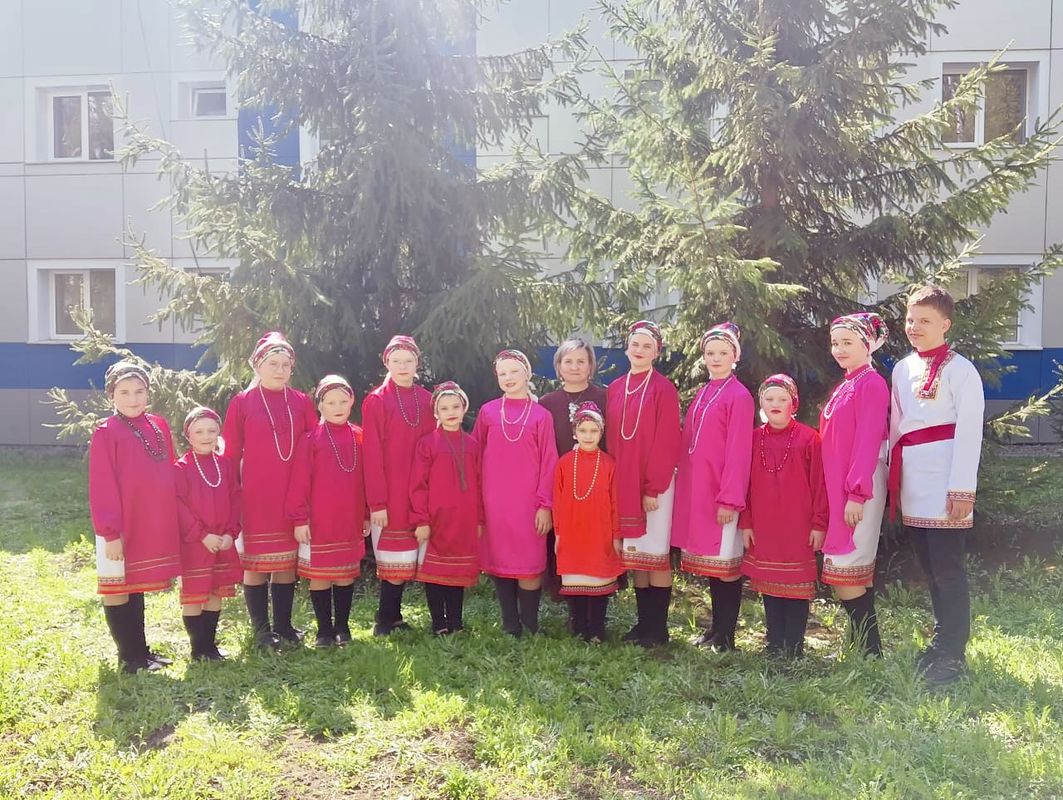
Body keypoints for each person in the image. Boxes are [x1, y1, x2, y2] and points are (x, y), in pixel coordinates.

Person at [890, 285, 985, 686]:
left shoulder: (962, 370)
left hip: (946, 480)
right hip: (915, 480)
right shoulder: (901, 369)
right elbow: (896, 428)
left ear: (945, 324)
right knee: (928, 568)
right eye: (910, 319)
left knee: (948, 569)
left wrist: (961, 489)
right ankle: (941, 641)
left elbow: (969, 431)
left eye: (924, 321)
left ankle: (954, 654)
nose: (914, 327)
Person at [222, 331, 318, 649]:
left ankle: (284, 626)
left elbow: (313, 448)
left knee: (286, 562)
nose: (279, 370)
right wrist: (231, 493)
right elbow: (231, 452)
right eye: (273, 364)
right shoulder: (242, 403)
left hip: (293, 493)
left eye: (285, 365)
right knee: (256, 564)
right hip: (256, 495)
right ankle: (262, 631)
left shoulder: (301, 402)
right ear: (258, 366)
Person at [89, 361, 181, 673]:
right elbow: (102, 484)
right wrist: (110, 532)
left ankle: (141, 651)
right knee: (117, 587)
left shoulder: (158, 424)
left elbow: (170, 468)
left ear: (148, 392)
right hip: (118, 524)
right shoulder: (106, 432)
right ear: (111, 395)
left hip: (147, 519)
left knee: (135, 584)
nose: (133, 399)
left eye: (139, 391)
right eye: (124, 392)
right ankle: (128, 658)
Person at [671, 322, 754, 651]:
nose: (716, 358)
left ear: (735, 356)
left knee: (726, 564)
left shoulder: (740, 396)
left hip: (722, 491)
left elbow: (738, 451)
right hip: (699, 489)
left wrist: (729, 499)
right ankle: (715, 628)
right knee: (712, 563)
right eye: (710, 353)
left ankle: (727, 635)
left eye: (723, 352)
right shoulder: (705, 391)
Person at [605, 320, 681, 647]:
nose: (639, 350)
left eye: (647, 346)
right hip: (624, 481)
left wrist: (653, 487)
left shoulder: (664, 389)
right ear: (627, 348)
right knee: (637, 555)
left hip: (654, 485)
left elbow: (668, 440)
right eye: (635, 344)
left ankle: (658, 628)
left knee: (656, 554)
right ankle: (643, 624)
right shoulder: (615, 387)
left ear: (656, 352)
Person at [740, 375, 828, 657]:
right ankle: (775, 642)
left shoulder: (809, 438)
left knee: (795, 585)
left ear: (794, 404)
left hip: (798, 524)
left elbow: (820, 484)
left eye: (782, 399)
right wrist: (746, 522)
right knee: (771, 584)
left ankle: (795, 646)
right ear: (761, 403)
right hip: (764, 524)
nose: (775, 404)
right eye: (769, 399)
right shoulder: (753, 439)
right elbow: (744, 485)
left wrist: (819, 524)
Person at [819, 313, 890, 657]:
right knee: (855, 572)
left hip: (858, 487)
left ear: (868, 344)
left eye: (847, 342)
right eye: (835, 343)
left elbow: (868, 441)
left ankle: (870, 648)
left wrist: (857, 494)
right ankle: (863, 645)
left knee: (845, 569)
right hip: (842, 487)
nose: (839, 349)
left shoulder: (871, 384)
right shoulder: (848, 383)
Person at [474, 349, 558, 636]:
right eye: (502, 373)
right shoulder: (487, 412)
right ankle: (510, 623)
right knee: (500, 560)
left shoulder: (541, 415)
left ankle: (530, 623)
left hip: (529, 502)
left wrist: (545, 504)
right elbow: (475, 454)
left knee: (529, 563)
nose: (508, 378)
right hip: (495, 500)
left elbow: (549, 461)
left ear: (527, 373)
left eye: (513, 371)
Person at [362, 336, 436, 636]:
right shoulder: (377, 400)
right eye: (396, 361)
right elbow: (371, 455)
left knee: (415, 552)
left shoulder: (428, 399)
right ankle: (385, 618)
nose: (403, 366)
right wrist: (377, 502)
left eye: (408, 361)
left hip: (421, 488)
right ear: (387, 363)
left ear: (417, 363)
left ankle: (396, 616)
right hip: (391, 490)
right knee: (394, 556)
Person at [287, 376, 368, 648]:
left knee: (345, 573)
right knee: (320, 575)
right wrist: (300, 519)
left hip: (350, 517)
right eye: (331, 402)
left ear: (351, 401)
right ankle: (324, 630)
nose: (338, 407)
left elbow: (367, 479)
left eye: (343, 401)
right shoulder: (311, 439)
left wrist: (367, 514)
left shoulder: (360, 436)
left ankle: (342, 627)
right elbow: (300, 481)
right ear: (320, 405)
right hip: (319, 519)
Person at [538, 338, 609, 627]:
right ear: (558, 366)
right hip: (563, 488)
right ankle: (575, 612)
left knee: (596, 546)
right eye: (568, 361)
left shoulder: (605, 398)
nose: (575, 367)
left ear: (590, 365)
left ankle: (596, 612)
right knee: (567, 546)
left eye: (581, 361)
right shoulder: (547, 404)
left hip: (597, 486)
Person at [410, 381, 483, 635]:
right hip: (436, 519)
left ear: (464, 409)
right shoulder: (428, 444)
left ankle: (455, 621)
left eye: (455, 407)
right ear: (436, 413)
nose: (451, 412)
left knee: (456, 574)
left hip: (464, 520)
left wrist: (479, 520)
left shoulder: (473, 445)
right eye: (444, 408)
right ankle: (438, 622)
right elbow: (418, 485)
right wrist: (421, 520)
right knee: (435, 573)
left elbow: (479, 484)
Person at [175, 406, 242, 661]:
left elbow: (235, 500)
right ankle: (197, 649)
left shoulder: (225, 465)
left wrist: (230, 533)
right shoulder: (181, 468)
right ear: (188, 435)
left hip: (221, 540)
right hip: (195, 543)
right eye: (199, 432)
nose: (206, 436)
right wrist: (201, 535)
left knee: (215, 592)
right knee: (194, 596)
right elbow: (178, 506)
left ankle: (210, 646)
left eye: (211, 431)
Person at [553, 402, 622, 642]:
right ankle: (579, 628)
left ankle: (597, 630)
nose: (588, 436)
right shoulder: (564, 463)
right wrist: (559, 533)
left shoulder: (609, 464)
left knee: (598, 582)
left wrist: (616, 535)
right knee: (576, 581)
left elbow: (615, 502)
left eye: (594, 431)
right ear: (575, 432)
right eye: (583, 431)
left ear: (601, 433)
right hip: (572, 532)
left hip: (600, 532)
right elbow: (557, 500)